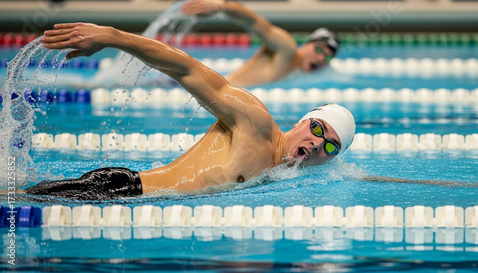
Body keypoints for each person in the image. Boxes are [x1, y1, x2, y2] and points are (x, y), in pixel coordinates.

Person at [24, 22, 355, 200]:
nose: (316, 143)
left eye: (329, 146)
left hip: (139, 207)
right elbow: (187, 69)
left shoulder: (287, 174)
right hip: (119, 189)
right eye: (317, 128)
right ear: (301, 121)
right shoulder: (255, 122)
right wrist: (113, 37)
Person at [181, 0, 340, 87]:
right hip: (212, 91)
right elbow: (254, 21)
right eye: (318, 49)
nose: (320, 59)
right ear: (306, 44)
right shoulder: (287, 49)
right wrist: (221, 6)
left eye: (327, 58)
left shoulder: (303, 75)